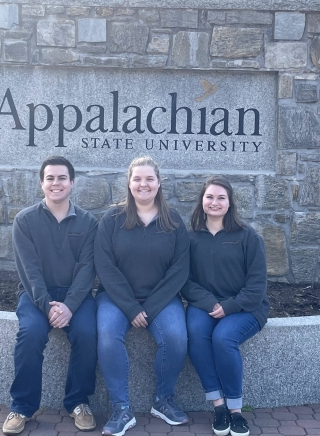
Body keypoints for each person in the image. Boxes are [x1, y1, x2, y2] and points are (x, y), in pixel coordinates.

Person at [95, 156, 190, 436]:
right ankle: (121, 408)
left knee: (176, 336)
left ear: (159, 183)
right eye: (137, 179)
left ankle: (164, 400)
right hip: (116, 298)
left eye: (149, 179)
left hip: (160, 299)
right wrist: (129, 307)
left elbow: (180, 269)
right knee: (108, 335)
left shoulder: (173, 221)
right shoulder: (112, 219)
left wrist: (150, 307)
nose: (143, 184)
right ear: (129, 183)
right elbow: (104, 265)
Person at [3, 155, 98, 434]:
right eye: (50, 178)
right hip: (35, 295)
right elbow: (29, 271)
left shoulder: (89, 222)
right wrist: (48, 307)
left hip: (76, 297)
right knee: (31, 333)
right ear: (42, 183)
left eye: (62, 178)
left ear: (72, 183)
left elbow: (87, 269)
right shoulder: (25, 220)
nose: (56, 183)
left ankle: (78, 402)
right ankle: (21, 406)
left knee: (88, 333)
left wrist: (69, 306)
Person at [181, 176, 269, 436]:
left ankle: (236, 411)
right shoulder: (190, 238)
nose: (215, 202)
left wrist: (229, 306)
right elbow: (184, 280)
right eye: (209, 197)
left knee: (223, 337)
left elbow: (256, 286)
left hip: (246, 307)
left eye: (221, 197)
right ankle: (218, 405)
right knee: (196, 334)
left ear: (230, 203)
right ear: (202, 201)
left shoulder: (248, 237)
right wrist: (210, 303)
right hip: (204, 304)